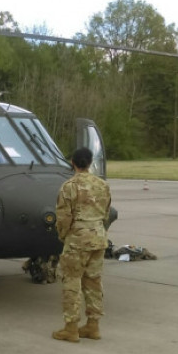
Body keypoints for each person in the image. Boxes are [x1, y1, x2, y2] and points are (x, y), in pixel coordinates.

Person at [53, 147, 111, 343]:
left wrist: (63, 235)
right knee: (93, 281)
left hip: (77, 239)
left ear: (72, 162)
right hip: (98, 238)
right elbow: (106, 212)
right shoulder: (102, 185)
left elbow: (63, 217)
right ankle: (93, 326)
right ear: (90, 162)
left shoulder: (69, 186)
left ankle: (71, 327)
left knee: (71, 281)